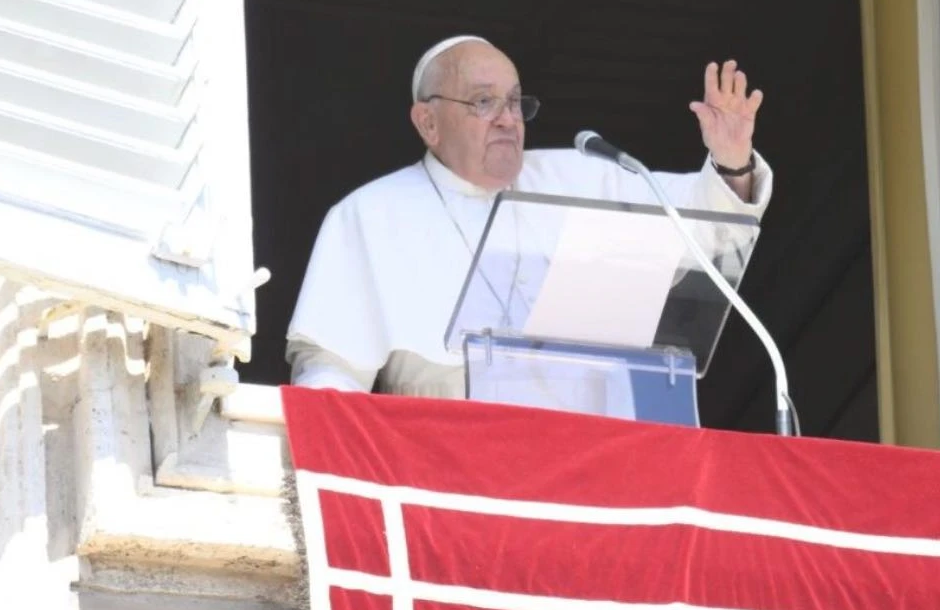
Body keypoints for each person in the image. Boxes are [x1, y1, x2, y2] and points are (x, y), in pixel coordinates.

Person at [286, 36, 773, 397]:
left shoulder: (583, 177)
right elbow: (331, 375)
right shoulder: (370, 216)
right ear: (427, 122)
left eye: (515, 102)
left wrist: (731, 161)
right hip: (446, 466)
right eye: (483, 102)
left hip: (595, 460)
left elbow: (706, 232)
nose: (507, 118)